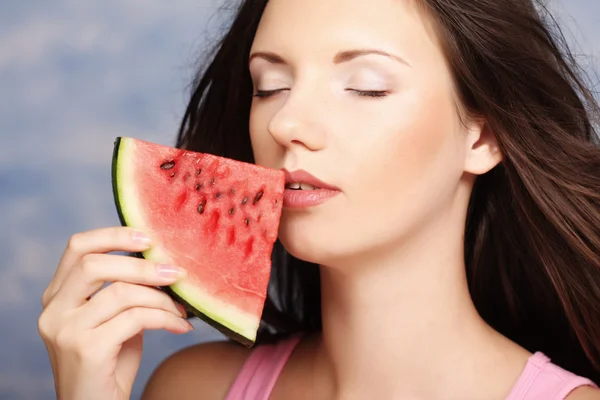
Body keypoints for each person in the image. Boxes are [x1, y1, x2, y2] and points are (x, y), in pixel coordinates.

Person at [38, 0, 600, 398]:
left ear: (483, 136)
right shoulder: (191, 388)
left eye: (367, 86)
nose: (287, 122)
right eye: (270, 87)